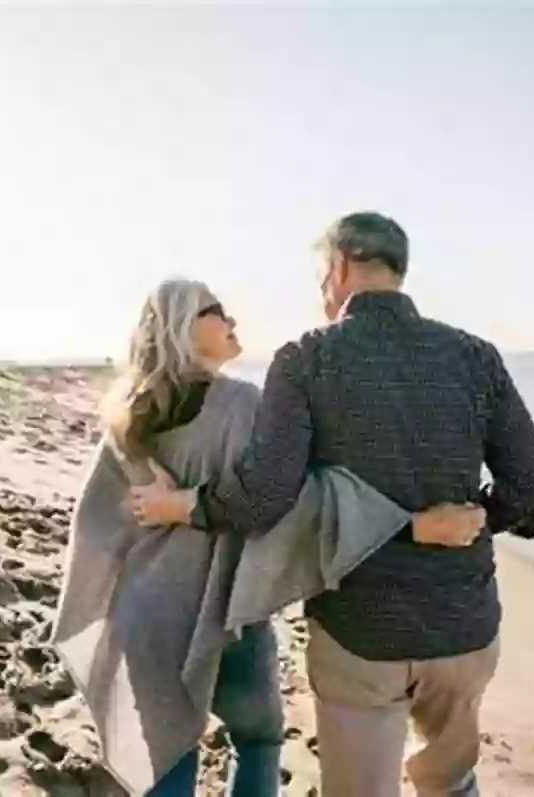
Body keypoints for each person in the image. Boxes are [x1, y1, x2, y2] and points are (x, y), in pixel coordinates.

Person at [130, 213, 534, 797]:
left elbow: (264, 496)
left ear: (339, 266)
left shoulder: (307, 358)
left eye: (320, 274)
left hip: (361, 631)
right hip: (465, 625)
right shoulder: (476, 356)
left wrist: (183, 505)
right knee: (452, 783)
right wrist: (483, 516)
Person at [51, 278, 485, 797]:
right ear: (182, 325)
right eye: (217, 311)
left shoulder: (126, 414)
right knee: (257, 739)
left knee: (166, 754)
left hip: (148, 615)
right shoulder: (240, 404)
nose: (233, 320)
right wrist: (412, 522)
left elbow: (97, 520)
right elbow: (300, 500)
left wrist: (156, 513)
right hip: (229, 613)